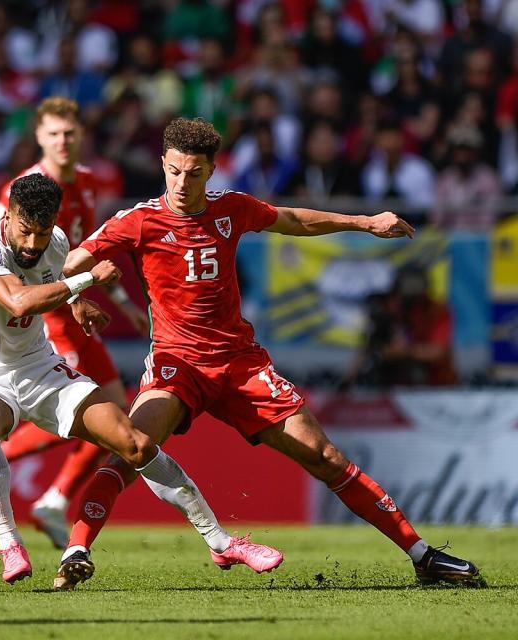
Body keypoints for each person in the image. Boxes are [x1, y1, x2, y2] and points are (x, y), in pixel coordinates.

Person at [56, 117, 482, 590]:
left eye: (194, 173)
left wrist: (364, 222)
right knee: (130, 446)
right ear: (163, 164)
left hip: (240, 365)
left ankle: (421, 556)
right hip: (177, 365)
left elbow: (293, 219)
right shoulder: (138, 221)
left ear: (212, 170)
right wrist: (76, 296)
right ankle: (76, 552)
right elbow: (74, 261)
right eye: (174, 171)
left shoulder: (231, 208)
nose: (181, 183)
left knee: (325, 457)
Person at [0, 173, 280, 584]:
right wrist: (88, 280)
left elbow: (51, 283)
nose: (33, 244)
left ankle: (222, 543)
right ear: (10, 216)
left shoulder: (54, 245)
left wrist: (78, 304)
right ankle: (9, 543)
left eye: (43, 231)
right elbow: (18, 298)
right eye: (25, 231)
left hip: (37, 367)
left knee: (136, 444)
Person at [0, 96, 149, 550]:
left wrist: (120, 303)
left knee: (114, 412)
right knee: (57, 407)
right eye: (53, 135)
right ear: (39, 139)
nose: (62, 142)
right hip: (40, 314)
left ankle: (53, 500)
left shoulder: (83, 183)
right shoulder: (24, 190)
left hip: (69, 301)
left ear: (81, 135)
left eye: (70, 133)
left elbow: (77, 256)